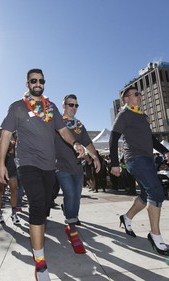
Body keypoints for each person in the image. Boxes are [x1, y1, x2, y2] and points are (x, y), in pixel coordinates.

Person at [0, 68, 85, 281]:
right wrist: (1, 164)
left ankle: (41, 240)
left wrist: (75, 143)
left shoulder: (51, 107)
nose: (38, 83)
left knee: (45, 205)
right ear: (27, 83)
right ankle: (40, 262)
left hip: (49, 166)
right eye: (33, 80)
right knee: (37, 204)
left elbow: (63, 131)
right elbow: (6, 134)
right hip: (28, 163)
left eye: (41, 81)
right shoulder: (17, 107)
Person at [109, 85, 169, 256]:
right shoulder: (124, 114)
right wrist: (114, 163)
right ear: (126, 99)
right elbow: (113, 138)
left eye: (140, 93)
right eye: (136, 94)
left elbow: (150, 139)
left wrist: (165, 151)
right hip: (135, 159)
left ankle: (127, 217)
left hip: (147, 159)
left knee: (147, 195)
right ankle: (155, 235)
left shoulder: (142, 116)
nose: (140, 96)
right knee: (156, 192)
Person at [55, 94, 101, 254]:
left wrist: (95, 156)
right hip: (60, 166)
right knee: (70, 194)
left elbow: (88, 142)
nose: (73, 108)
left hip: (77, 167)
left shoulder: (79, 124)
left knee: (76, 196)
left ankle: (70, 216)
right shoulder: (57, 122)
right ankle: (72, 226)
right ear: (64, 106)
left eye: (76, 105)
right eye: (70, 105)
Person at [0, 129, 20, 225]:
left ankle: (14, 213)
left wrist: (20, 169)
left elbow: (17, 160)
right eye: (3, 134)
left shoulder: (13, 145)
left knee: (14, 190)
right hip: (0, 173)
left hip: (12, 172)